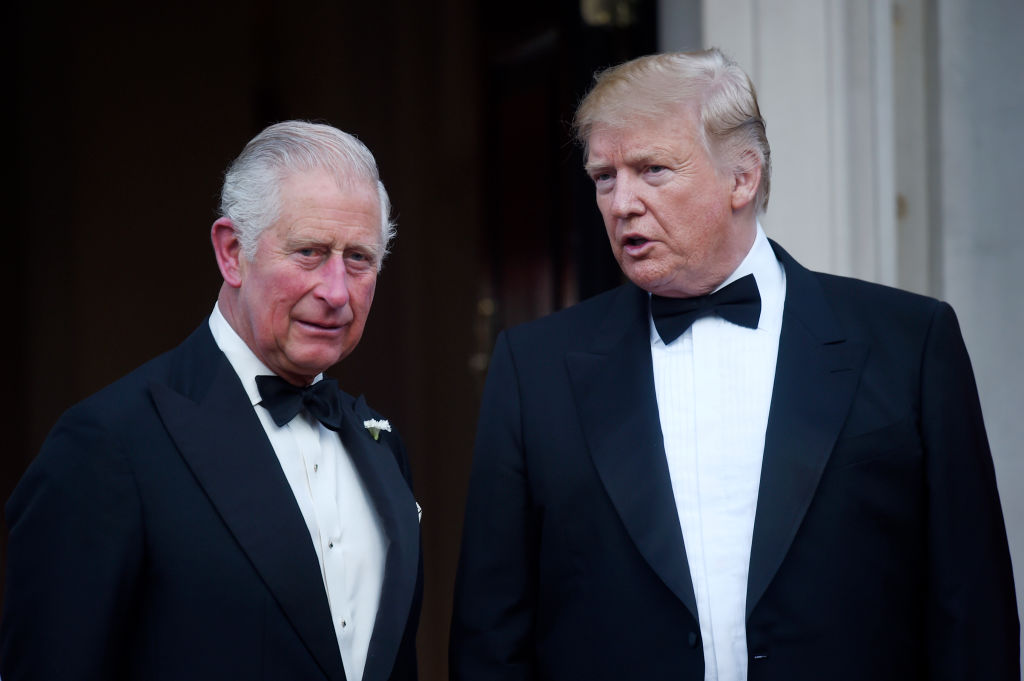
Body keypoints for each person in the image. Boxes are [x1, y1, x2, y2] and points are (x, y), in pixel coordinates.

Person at [450, 49, 1019, 681]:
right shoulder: (534, 368)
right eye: (604, 177)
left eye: (652, 170)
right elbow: (490, 635)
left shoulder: (909, 342)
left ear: (741, 179)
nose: (621, 203)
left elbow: (973, 613)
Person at [1, 121, 421, 681]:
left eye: (359, 259)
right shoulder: (107, 445)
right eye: (309, 252)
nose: (336, 291)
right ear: (231, 252)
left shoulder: (380, 445)